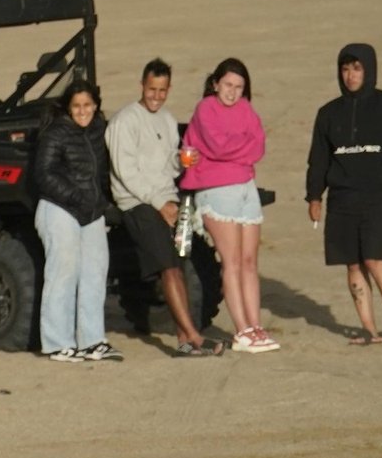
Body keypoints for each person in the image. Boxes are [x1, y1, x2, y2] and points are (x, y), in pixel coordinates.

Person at [107, 59, 224, 357]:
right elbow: (126, 172)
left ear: (168, 89)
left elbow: (169, 162)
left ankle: (186, 340)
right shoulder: (124, 122)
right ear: (142, 86)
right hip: (139, 203)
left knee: (180, 266)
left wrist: (182, 160)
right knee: (169, 269)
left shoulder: (168, 119)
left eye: (162, 90)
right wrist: (161, 204)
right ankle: (193, 337)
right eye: (151, 89)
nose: (156, 96)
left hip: (169, 201)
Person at [306, 43, 382, 345]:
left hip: (379, 197)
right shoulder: (328, 113)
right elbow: (319, 158)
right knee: (352, 263)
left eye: (357, 68)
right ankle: (369, 329)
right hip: (342, 199)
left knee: (374, 259)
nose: (350, 75)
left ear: (369, 69)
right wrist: (314, 196)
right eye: (345, 68)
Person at [183, 58, 275, 353]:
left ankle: (255, 326)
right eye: (228, 85)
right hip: (217, 190)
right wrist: (240, 148)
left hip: (245, 188)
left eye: (239, 87)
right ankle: (242, 330)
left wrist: (235, 150)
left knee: (249, 262)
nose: (233, 93)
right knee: (232, 261)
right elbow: (217, 145)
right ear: (215, 83)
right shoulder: (205, 109)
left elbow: (258, 145)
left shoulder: (246, 109)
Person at [35, 79, 119, 363]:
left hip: (91, 210)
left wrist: (103, 201)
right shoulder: (55, 132)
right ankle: (57, 343)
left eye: (87, 105)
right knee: (63, 273)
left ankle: (92, 341)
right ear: (69, 108)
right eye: (77, 106)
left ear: (95, 105)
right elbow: (44, 174)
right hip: (59, 209)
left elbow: (103, 169)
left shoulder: (98, 129)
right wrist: (76, 197)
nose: (83, 111)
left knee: (95, 273)